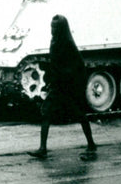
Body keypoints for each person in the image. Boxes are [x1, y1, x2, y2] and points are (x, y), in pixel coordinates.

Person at [27, 15, 97, 161]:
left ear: (61, 29)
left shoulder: (67, 44)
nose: (52, 30)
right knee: (46, 113)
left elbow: (77, 67)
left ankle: (91, 144)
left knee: (79, 115)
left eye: (55, 27)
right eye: (51, 27)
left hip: (68, 87)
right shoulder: (57, 41)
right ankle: (43, 148)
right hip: (59, 86)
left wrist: (70, 83)